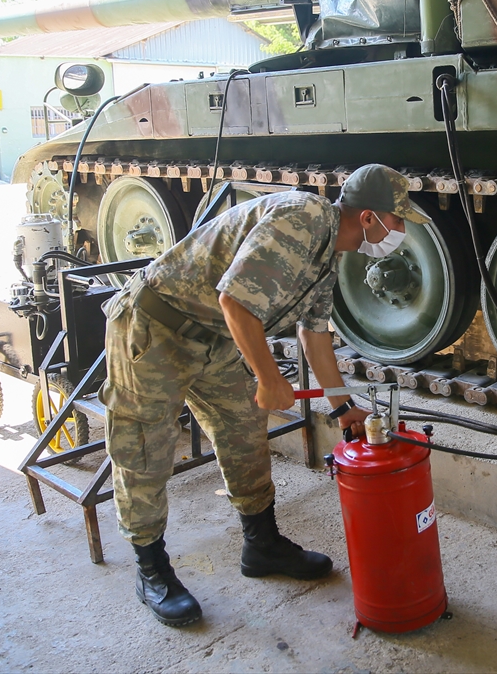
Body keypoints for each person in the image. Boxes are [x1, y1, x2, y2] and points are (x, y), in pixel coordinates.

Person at [99, 163, 428, 626]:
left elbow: (314, 336)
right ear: (370, 217)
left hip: (214, 338)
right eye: (398, 220)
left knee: (244, 437)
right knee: (145, 451)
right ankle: (151, 569)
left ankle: (262, 545)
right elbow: (234, 301)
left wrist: (343, 406)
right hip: (157, 327)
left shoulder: (327, 253)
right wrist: (270, 378)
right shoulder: (304, 219)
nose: (401, 230)